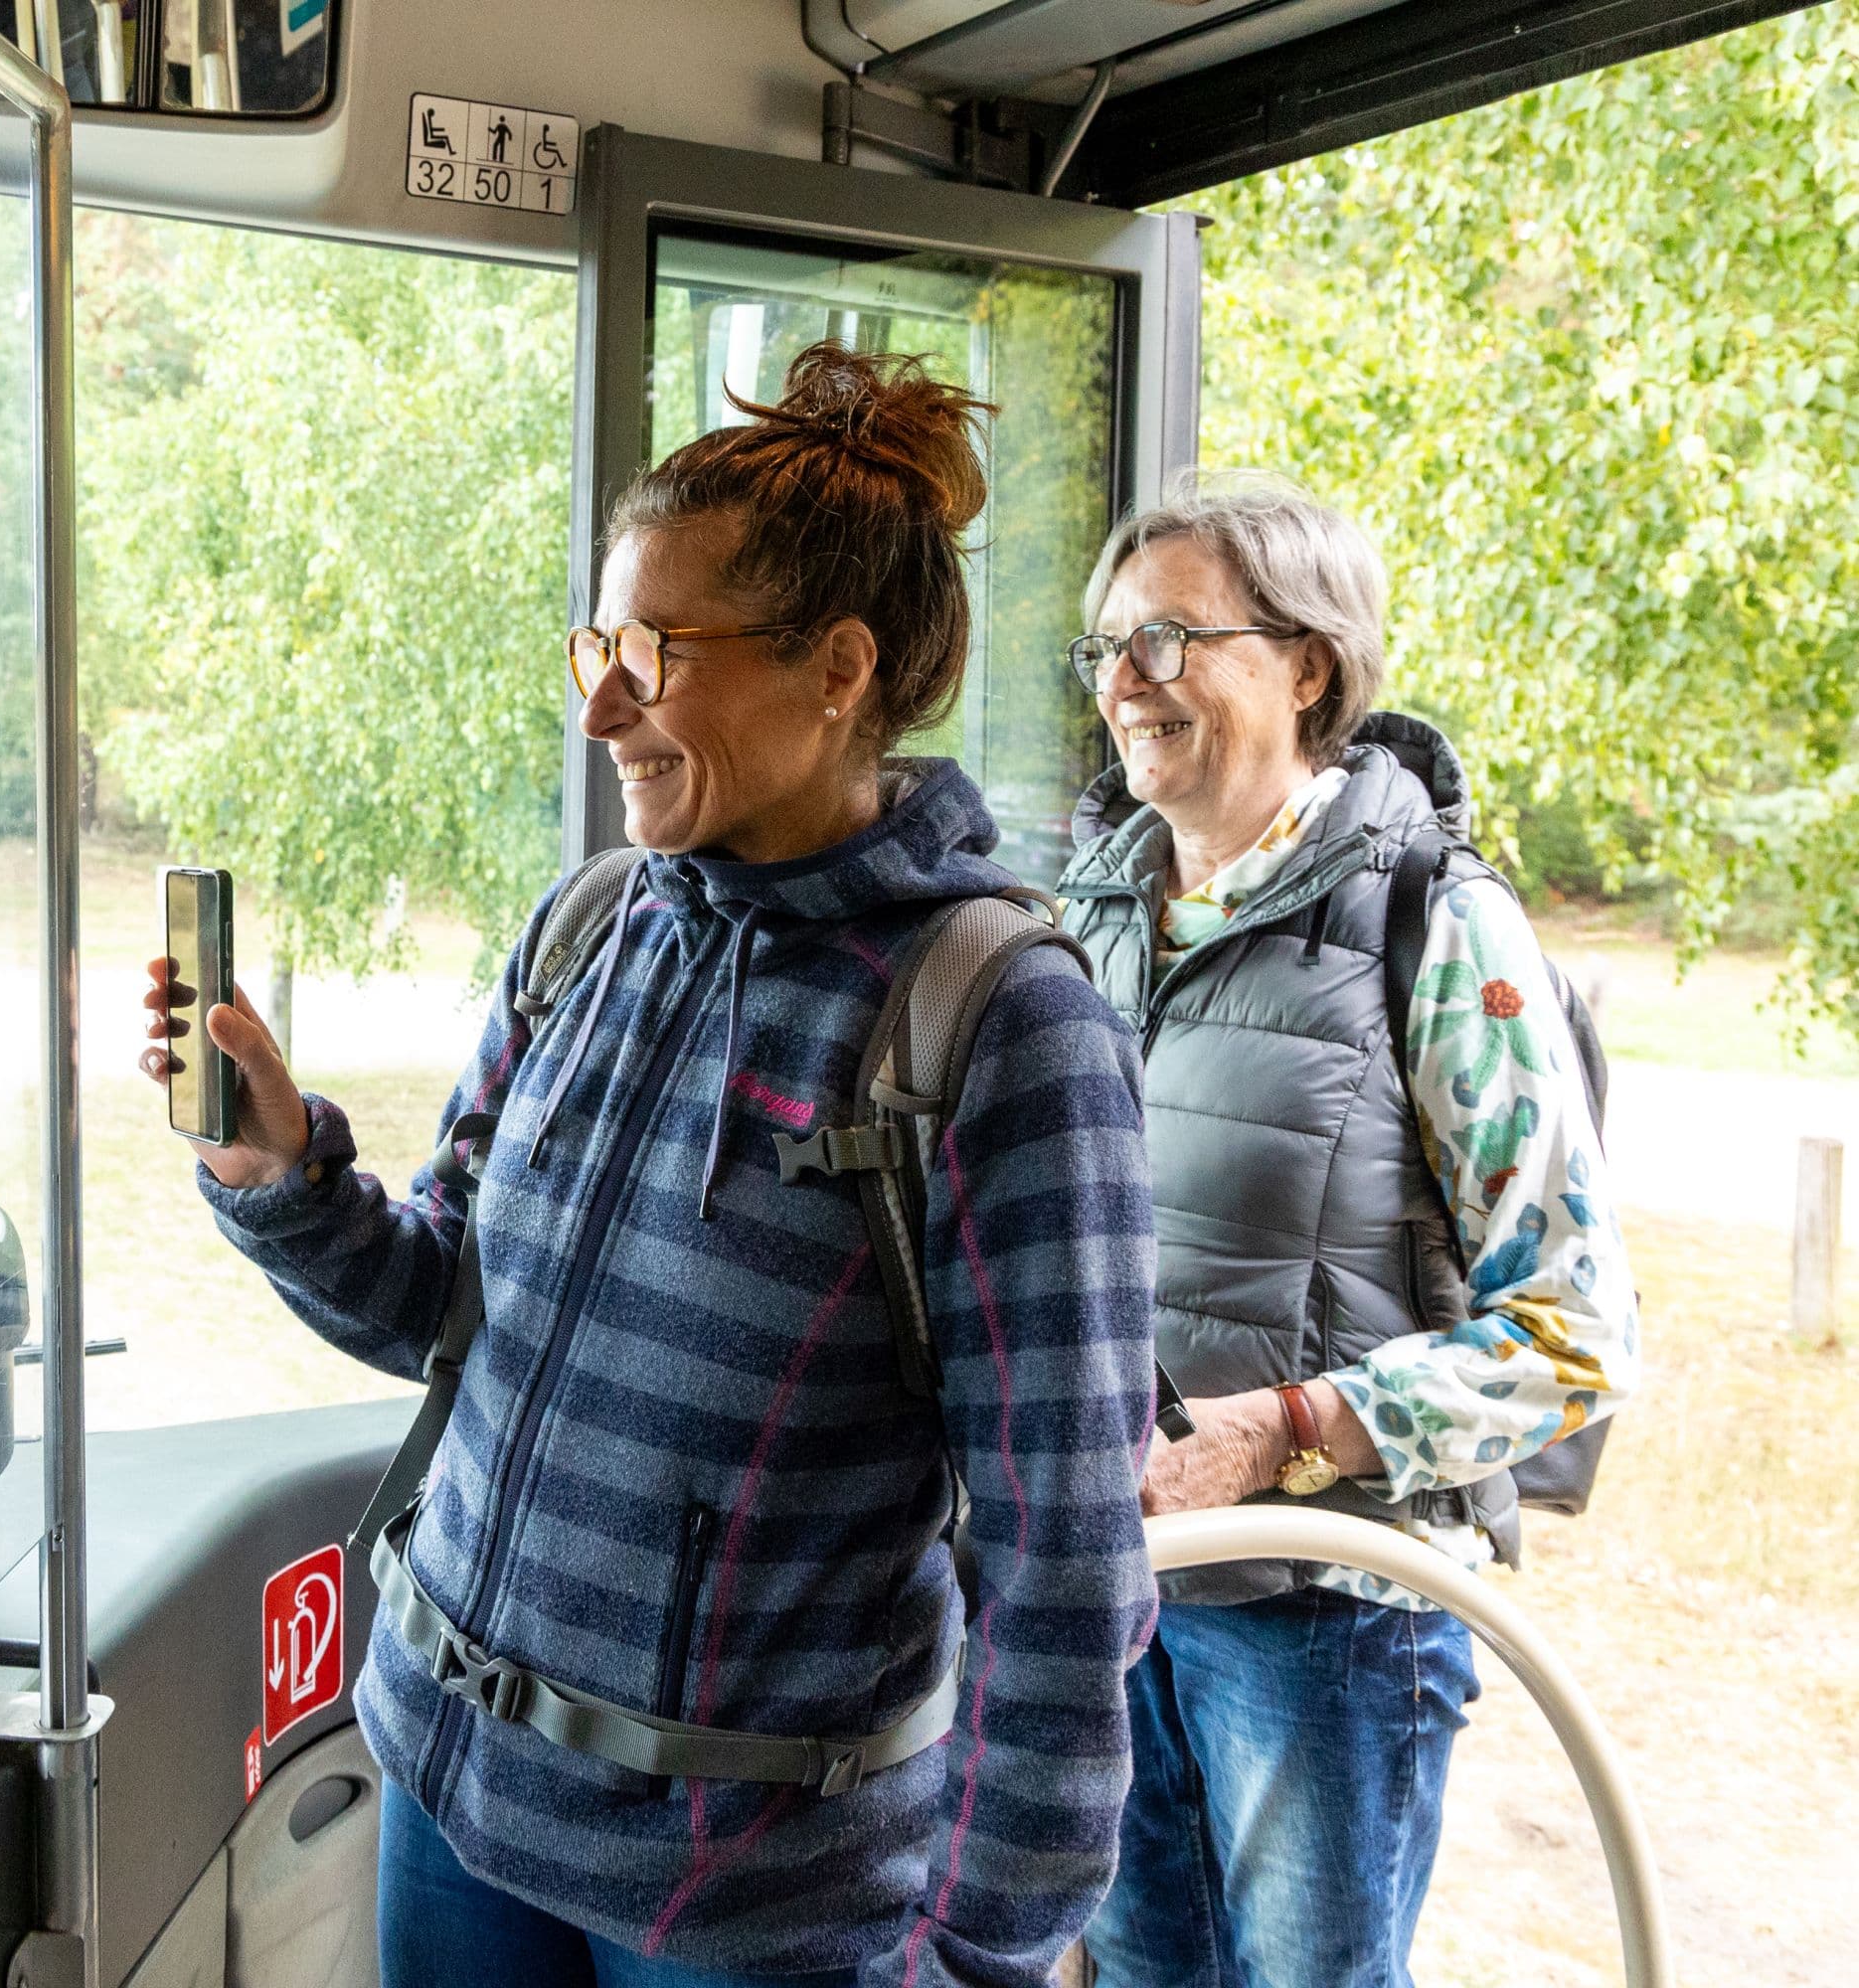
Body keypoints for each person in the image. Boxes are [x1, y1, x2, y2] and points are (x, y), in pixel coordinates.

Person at [140, 345, 1158, 1988]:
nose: (601, 702)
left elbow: (1065, 1572)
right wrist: (283, 1176)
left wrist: (974, 1964)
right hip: (455, 1812)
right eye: (599, 642)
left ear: (839, 669)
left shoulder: (1001, 1027)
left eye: (657, 653)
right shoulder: (590, 929)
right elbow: (448, 1313)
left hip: (750, 1912)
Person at [1054, 473, 1639, 1988]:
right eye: (1109, 647)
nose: (1124, 682)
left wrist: (1285, 1436)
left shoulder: (1437, 924)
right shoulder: (1093, 918)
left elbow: (1578, 1336)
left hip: (1325, 1625)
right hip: (1112, 1598)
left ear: (1309, 666)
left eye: (1172, 637)